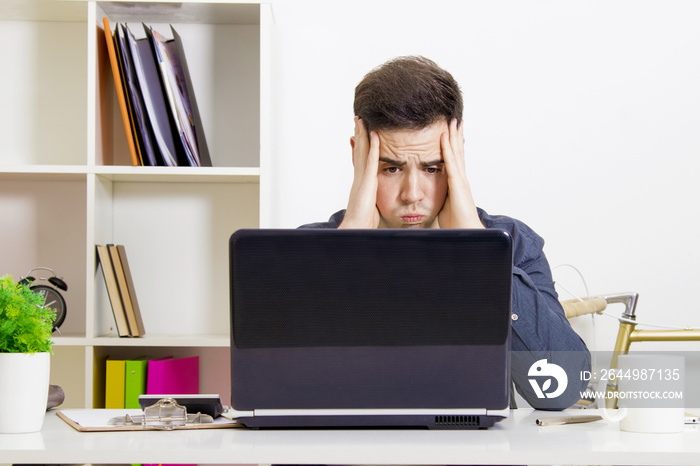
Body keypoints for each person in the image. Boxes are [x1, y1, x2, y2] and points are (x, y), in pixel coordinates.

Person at [300, 56, 590, 410]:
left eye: (432, 168)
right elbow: (286, 384)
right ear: (358, 156)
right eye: (390, 168)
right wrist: (347, 250)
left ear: (457, 155)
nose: (412, 194)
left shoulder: (511, 244)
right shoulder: (306, 251)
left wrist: (479, 253)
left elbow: (564, 389)